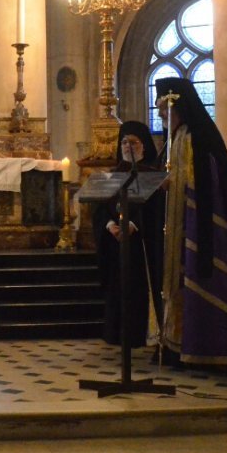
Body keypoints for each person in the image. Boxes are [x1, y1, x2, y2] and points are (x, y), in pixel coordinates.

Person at [155, 77, 227, 369]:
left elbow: (206, 185)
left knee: (195, 279)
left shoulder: (198, 137)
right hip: (178, 224)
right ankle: (175, 342)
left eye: (165, 111)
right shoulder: (176, 138)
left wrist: (172, 182)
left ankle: (203, 345)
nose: (161, 117)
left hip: (197, 225)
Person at [93, 121, 165, 349]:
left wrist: (134, 224)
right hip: (115, 242)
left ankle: (141, 333)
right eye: (124, 142)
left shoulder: (153, 175)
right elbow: (99, 208)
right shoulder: (113, 175)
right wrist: (108, 225)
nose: (128, 146)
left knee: (139, 289)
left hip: (141, 244)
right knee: (118, 288)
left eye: (133, 142)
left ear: (144, 145)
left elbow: (155, 208)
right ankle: (116, 333)